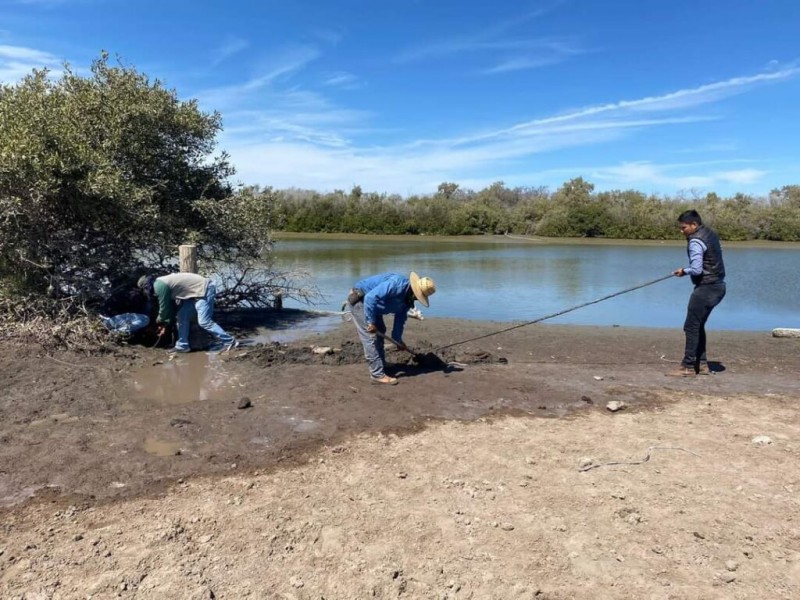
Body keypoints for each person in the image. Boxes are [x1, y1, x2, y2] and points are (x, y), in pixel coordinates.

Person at [346, 271, 436, 385]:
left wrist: (398, 340)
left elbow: (400, 318)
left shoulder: (408, 299)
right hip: (361, 300)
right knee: (370, 337)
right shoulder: (396, 285)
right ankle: (377, 375)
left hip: (374, 306)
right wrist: (370, 322)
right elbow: (370, 298)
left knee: (381, 329)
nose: (417, 298)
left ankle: (382, 363)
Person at [670, 210, 726, 376]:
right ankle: (701, 365)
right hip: (718, 287)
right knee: (698, 325)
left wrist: (683, 271)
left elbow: (696, 269)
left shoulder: (696, 241)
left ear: (694, 225)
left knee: (691, 326)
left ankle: (687, 366)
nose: (682, 231)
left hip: (706, 288)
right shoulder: (710, 234)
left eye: (683, 227)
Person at [138, 272, 238, 353]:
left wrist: (159, 321)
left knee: (204, 321)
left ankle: (230, 341)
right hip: (193, 295)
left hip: (205, 290)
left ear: (146, 286)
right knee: (182, 316)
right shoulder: (160, 283)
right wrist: (165, 324)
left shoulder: (159, 286)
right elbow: (170, 309)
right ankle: (182, 346)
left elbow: (164, 308)